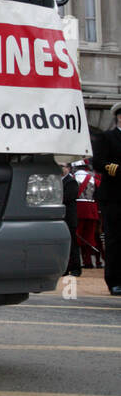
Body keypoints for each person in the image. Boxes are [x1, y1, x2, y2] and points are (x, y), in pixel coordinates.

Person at [93, 102, 121, 295]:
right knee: (115, 240)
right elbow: (98, 162)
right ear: (119, 117)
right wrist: (117, 169)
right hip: (115, 196)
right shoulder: (108, 137)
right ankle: (115, 280)